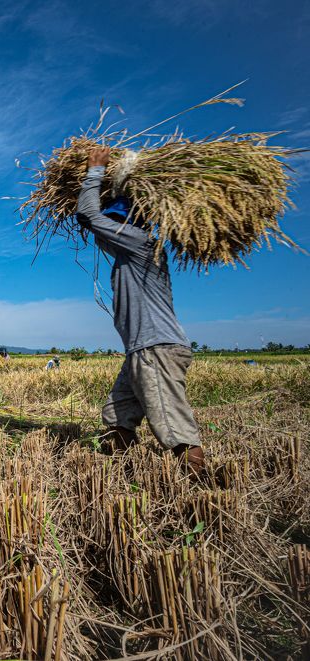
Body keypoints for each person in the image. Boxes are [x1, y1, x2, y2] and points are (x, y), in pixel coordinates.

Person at [77, 147, 205, 474]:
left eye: (115, 222)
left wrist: (95, 172)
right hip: (143, 350)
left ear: (129, 223)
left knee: (174, 429)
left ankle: (204, 495)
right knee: (116, 415)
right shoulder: (137, 251)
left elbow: (89, 216)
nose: (109, 230)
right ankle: (128, 477)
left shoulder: (138, 241)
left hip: (155, 350)